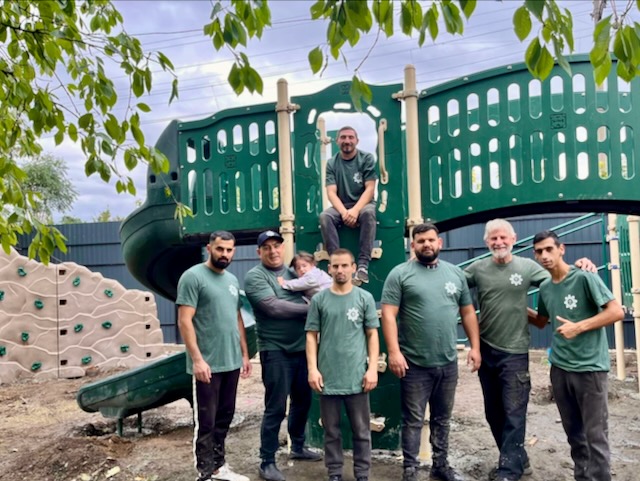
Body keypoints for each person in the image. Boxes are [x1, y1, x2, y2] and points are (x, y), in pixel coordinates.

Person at [463, 219, 596, 481]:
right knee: (493, 412)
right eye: (493, 238)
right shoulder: (477, 269)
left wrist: (581, 265)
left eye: (503, 238)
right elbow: (450, 284)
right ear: (486, 242)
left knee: (514, 412)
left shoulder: (526, 267)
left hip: (515, 352)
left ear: (513, 240)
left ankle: (509, 471)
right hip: (486, 349)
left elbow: (560, 277)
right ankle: (518, 460)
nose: (499, 242)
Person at [381, 223, 481, 481]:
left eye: (431, 240)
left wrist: (475, 347)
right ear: (412, 245)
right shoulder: (400, 274)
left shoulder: (455, 274)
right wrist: (394, 352)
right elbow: (389, 315)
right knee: (413, 419)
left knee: (442, 418)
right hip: (414, 362)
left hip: (447, 362)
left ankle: (440, 466)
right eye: (421, 241)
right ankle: (410, 469)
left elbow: (467, 312)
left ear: (440, 243)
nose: (426, 244)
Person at [531, 230, 623, 481]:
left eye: (549, 249)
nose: (544, 255)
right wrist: (509, 305)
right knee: (574, 434)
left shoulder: (585, 277)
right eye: (539, 251)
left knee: (596, 436)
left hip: (590, 368)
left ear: (562, 249)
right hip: (560, 369)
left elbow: (616, 312)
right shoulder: (546, 287)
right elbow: (541, 321)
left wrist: (578, 326)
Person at [244, 230, 322, 481]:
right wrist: (312, 309)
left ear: (283, 248)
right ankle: (266, 461)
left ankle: (297, 446)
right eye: (266, 247)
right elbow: (272, 307)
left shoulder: (295, 272)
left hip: (303, 348)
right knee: (276, 407)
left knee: (303, 402)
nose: (273, 250)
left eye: (277, 245)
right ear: (259, 252)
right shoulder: (255, 276)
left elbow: (321, 287)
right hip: (275, 349)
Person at [176, 230, 252, 481]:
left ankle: (219, 467)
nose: (225, 254)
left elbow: (237, 318)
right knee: (206, 421)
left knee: (225, 416)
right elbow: (184, 321)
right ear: (209, 248)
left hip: (231, 361)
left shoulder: (231, 279)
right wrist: (197, 359)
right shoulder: (193, 277)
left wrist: (244, 354)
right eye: (220, 249)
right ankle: (205, 473)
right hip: (207, 363)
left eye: (229, 250)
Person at [305, 248, 380, 481]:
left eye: (344, 265)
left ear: (353, 267)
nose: (340, 270)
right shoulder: (319, 300)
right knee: (331, 431)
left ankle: (362, 474)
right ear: (329, 268)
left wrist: (372, 369)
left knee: (361, 430)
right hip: (328, 377)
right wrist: (313, 369)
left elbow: (372, 335)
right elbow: (311, 336)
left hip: (357, 377)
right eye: (335, 266)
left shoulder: (364, 298)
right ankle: (335, 473)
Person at [319, 126, 377, 284]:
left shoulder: (366, 158)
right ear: (337, 141)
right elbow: (331, 193)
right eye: (343, 137)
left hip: (363, 203)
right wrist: (345, 212)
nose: (347, 141)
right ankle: (336, 262)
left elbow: (370, 188)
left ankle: (363, 264)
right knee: (325, 217)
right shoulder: (332, 163)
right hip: (341, 206)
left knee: (368, 213)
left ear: (357, 141)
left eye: (351, 137)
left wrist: (355, 210)